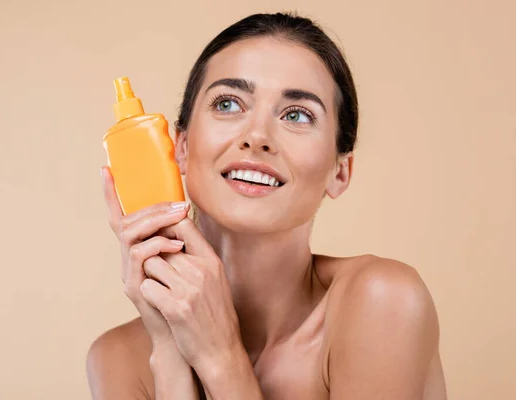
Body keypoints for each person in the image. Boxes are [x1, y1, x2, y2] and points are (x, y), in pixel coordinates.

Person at [86, 12, 447, 400]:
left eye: (296, 115)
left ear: (339, 173)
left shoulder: (383, 301)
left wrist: (220, 357)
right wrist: (171, 352)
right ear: (182, 148)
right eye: (227, 104)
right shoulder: (119, 358)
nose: (257, 136)